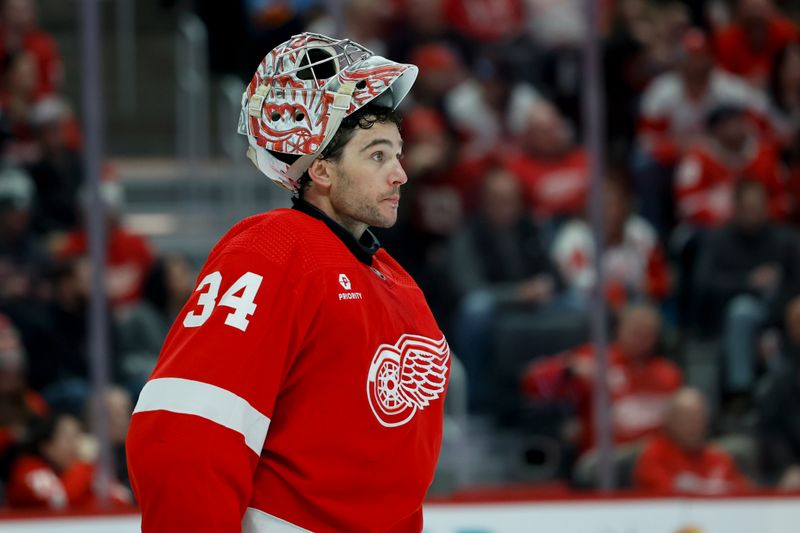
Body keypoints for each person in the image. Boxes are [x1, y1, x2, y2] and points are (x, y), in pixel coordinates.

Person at [126, 33, 451, 532]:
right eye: (378, 155)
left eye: (399, 154)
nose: (400, 175)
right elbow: (185, 431)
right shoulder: (273, 251)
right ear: (320, 168)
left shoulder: (393, 277)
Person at [522, 303, 681, 454]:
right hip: (605, 462)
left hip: (653, 461)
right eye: (636, 331)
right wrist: (569, 369)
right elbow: (531, 384)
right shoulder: (596, 358)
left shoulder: (668, 374)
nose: (641, 338)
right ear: (620, 329)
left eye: (648, 333)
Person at [633, 387, 749, 494]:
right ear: (670, 421)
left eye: (697, 418)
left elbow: (742, 493)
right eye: (685, 419)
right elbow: (664, 497)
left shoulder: (718, 458)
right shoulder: (653, 456)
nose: (693, 426)